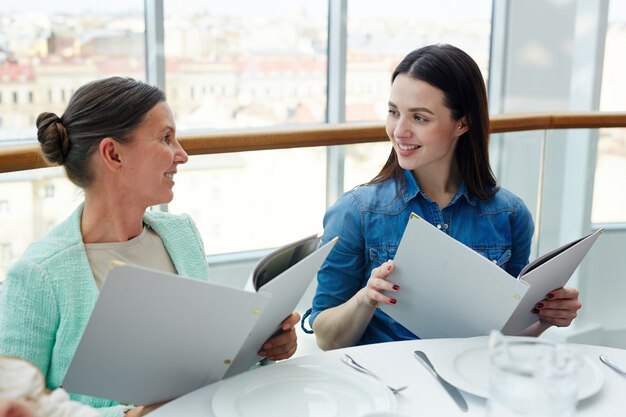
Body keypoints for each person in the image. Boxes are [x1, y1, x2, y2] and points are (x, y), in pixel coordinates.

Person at [0, 77, 300, 417]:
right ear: (113, 154)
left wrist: (264, 348)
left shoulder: (181, 236)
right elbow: (18, 408)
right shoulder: (38, 275)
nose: (182, 156)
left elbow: (203, 363)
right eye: (166, 138)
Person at [305, 44, 582, 350]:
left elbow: (507, 340)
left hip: (472, 384)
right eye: (394, 112)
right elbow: (326, 339)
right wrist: (365, 298)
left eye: (419, 118)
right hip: (385, 386)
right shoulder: (355, 212)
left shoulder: (511, 215)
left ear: (462, 123)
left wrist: (545, 317)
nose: (399, 131)